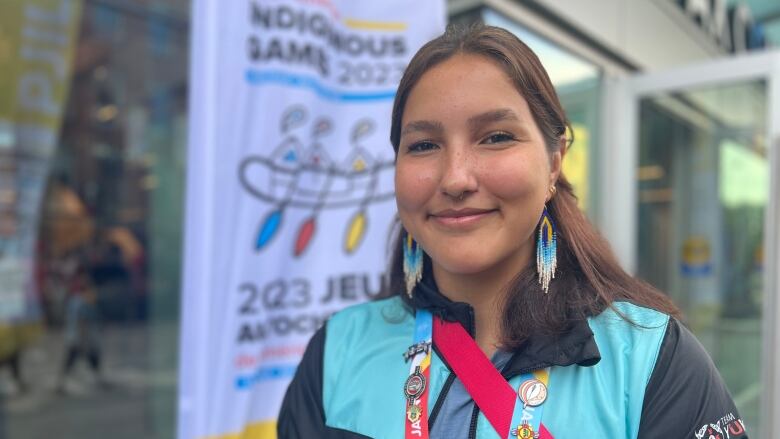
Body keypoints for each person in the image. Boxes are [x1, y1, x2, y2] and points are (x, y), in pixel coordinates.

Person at [278, 24, 748, 439]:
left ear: (553, 162)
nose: (456, 178)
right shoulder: (336, 353)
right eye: (423, 144)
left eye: (496, 137)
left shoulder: (650, 364)